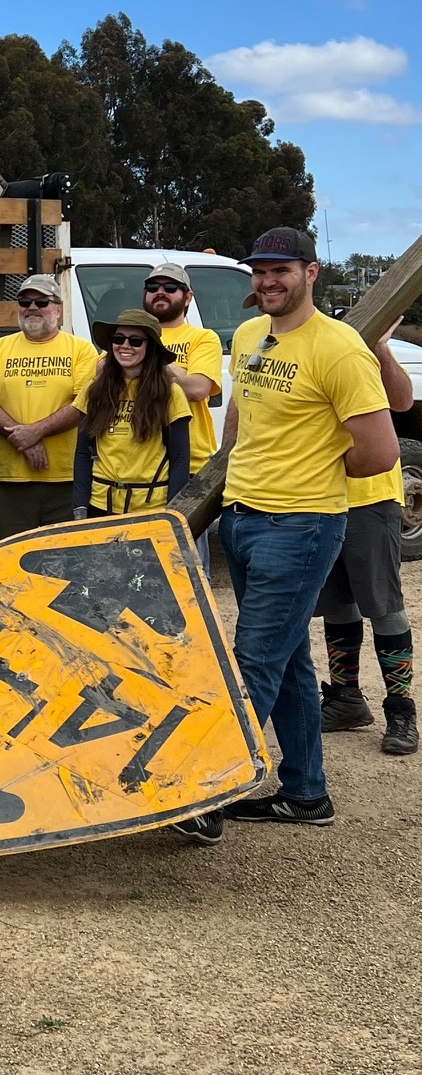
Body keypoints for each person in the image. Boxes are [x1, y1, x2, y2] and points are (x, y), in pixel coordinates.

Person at [176, 227, 396, 846]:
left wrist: (309, 473)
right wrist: (230, 484)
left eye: (281, 271)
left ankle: (206, 791)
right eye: (260, 271)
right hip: (244, 518)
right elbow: (242, 417)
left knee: (252, 662)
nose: (268, 281)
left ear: (310, 273)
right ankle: (305, 793)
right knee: (289, 660)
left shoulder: (340, 349)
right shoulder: (250, 335)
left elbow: (377, 452)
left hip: (300, 527)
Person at [316, 318, 418, 756]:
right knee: (338, 603)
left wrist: (380, 346)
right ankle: (346, 699)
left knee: (383, 604)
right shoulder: (306, 345)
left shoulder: (359, 347)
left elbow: (402, 400)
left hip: (371, 496)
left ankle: (401, 709)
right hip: (317, 494)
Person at [0, 275, 100, 542]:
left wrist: (35, 432)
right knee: (9, 566)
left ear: (58, 308)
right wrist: (24, 440)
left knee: (66, 565)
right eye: (25, 301)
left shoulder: (80, 349)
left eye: (41, 301)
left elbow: (84, 404)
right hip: (8, 481)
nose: (32, 307)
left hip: (66, 480)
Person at [142, 261, 224, 567]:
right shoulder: (131, 332)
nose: (160, 293)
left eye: (170, 288)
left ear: (187, 296)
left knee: (188, 563)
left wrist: (144, 362)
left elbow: (198, 388)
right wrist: (172, 369)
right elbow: (100, 371)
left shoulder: (203, 338)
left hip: (188, 464)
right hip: (135, 467)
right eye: (153, 288)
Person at [72, 310, 192, 518]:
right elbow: (83, 452)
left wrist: (172, 512)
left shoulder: (170, 393)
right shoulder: (94, 390)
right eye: (118, 339)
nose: (125, 346)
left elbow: (180, 458)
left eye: (136, 341)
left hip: (151, 507)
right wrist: (79, 506)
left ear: (150, 347)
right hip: (100, 505)